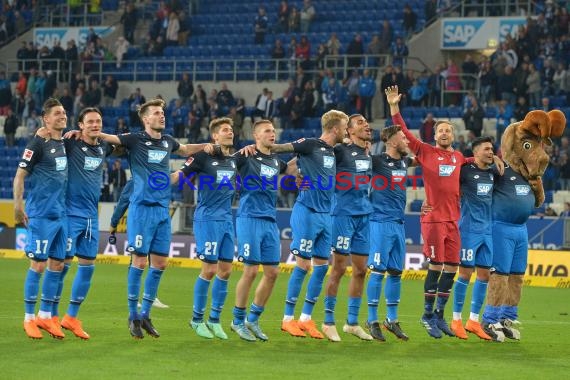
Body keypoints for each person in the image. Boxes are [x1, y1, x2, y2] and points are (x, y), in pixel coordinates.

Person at [385, 85, 503, 339]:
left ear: (453, 134)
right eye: (441, 130)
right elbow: (404, 132)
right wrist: (394, 106)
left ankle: (439, 314)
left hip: (453, 221)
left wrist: (495, 159)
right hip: (433, 219)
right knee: (436, 265)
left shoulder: (459, 157)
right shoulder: (426, 151)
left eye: (448, 130)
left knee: (452, 267)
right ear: (435, 134)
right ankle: (427, 315)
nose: (445, 133)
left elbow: (475, 160)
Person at [93, 98, 212, 339]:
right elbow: (112, 139)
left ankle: (145, 314)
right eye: (157, 113)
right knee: (139, 263)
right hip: (141, 209)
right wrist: (91, 130)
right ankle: (132, 316)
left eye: (162, 112)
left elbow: (186, 149)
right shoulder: (135, 139)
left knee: (160, 264)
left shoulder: (167, 141)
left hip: (162, 210)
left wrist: (207, 145)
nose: (162, 116)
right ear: (146, 118)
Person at [265, 110, 348, 339]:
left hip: (326, 214)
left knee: (321, 268)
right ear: (334, 128)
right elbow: (281, 149)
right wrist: (260, 145)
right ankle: (287, 319)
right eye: (344, 126)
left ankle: (306, 318)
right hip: (307, 212)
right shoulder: (310, 143)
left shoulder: (334, 150)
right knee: (303, 266)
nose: (346, 131)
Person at [172, 117, 237, 340]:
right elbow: (179, 176)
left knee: (226, 271)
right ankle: (197, 319)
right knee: (209, 270)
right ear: (215, 136)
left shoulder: (236, 159)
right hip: (207, 219)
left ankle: (215, 320)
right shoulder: (202, 157)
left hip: (227, 220)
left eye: (231, 129)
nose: (230, 132)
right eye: (225, 130)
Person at [230, 120, 295, 341]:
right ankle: (237, 320)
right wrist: (239, 151)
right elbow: (223, 161)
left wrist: (308, 151)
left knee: (272, 273)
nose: (272, 134)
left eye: (274, 130)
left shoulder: (275, 161)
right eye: (267, 131)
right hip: (249, 218)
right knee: (250, 271)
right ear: (256, 136)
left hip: (269, 219)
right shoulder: (245, 155)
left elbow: (291, 170)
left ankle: (253, 319)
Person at [14, 98, 68, 339]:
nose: (62, 116)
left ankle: (45, 316)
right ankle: (28, 318)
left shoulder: (67, 142)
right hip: (41, 214)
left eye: (64, 113)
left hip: (61, 215)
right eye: (57, 114)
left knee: (57, 265)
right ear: (46, 119)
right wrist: (17, 205)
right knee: (37, 265)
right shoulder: (36, 144)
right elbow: (19, 176)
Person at [322, 114, 373, 342]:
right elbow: (317, 153)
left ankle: (352, 323)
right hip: (343, 215)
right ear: (349, 131)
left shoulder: (369, 154)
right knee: (339, 269)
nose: (366, 125)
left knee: (361, 270)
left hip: (364, 216)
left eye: (366, 122)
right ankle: (328, 321)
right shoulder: (341, 151)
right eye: (360, 123)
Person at [365, 125, 415, 342]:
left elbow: (431, 159)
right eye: (403, 137)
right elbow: (348, 166)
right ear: (393, 141)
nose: (407, 141)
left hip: (398, 224)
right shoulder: (376, 161)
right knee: (378, 271)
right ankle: (372, 320)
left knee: (396, 272)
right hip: (379, 222)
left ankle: (391, 320)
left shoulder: (404, 162)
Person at [449, 136, 496, 341]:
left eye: (492, 149)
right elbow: (446, 182)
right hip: (468, 231)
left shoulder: (495, 173)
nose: (491, 152)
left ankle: (474, 321)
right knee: (465, 274)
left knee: (484, 276)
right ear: (476, 152)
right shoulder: (465, 171)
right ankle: (456, 319)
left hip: (487, 231)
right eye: (487, 149)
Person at [108, 180, 170, 310]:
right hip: (139, 222)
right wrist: (114, 222)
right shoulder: (135, 181)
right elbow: (123, 202)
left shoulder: (157, 180)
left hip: (155, 223)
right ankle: (134, 298)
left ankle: (152, 296)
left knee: (155, 262)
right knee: (136, 259)